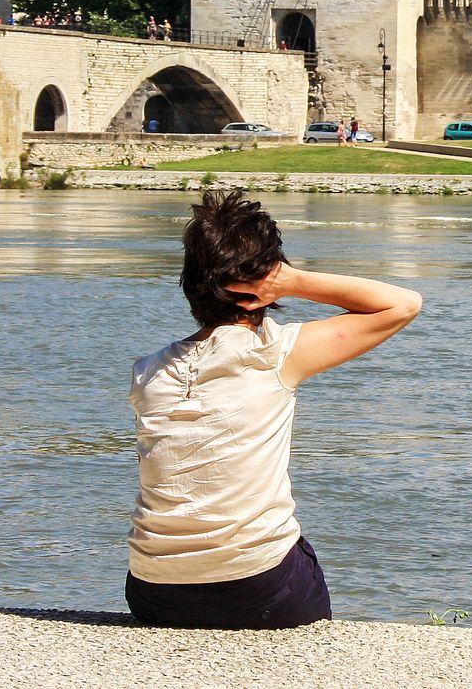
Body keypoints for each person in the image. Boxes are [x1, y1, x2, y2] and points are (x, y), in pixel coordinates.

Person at [126, 192, 421, 630]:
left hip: (152, 590)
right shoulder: (274, 354)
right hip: (256, 587)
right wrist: (291, 280)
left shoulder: (148, 371)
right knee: (293, 550)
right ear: (263, 283)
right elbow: (402, 303)